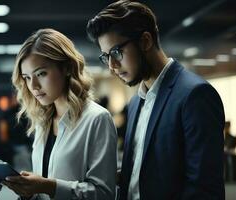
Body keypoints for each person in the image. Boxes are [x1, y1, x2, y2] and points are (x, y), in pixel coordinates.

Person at [86, 1, 225, 200]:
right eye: (105, 56)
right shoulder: (135, 102)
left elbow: (204, 189)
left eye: (116, 52)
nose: (112, 66)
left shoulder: (195, 95)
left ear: (145, 41)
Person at [5, 28, 117, 200]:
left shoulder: (97, 118)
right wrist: (28, 191)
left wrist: (49, 186)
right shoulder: (43, 121)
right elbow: (41, 191)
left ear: (66, 68)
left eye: (41, 73)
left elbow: (103, 194)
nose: (33, 86)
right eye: (27, 77)